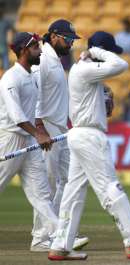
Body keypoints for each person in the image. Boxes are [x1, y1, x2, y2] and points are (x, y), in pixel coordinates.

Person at [48, 31, 130, 261]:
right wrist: (95, 50)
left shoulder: (87, 73)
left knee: (73, 194)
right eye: (108, 51)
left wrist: (104, 98)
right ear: (101, 51)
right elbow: (121, 64)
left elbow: (102, 105)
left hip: (81, 135)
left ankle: (60, 245)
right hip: (90, 137)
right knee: (111, 189)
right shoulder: (85, 68)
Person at [30, 18, 88, 252]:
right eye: (67, 39)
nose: (71, 44)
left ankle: (60, 231)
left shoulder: (56, 61)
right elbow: (33, 94)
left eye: (73, 40)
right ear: (53, 36)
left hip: (61, 130)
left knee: (68, 181)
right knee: (50, 185)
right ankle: (41, 238)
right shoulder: (42, 59)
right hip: (47, 130)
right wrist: (39, 128)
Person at [0, 32, 58, 249]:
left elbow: (33, 110)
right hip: (11, 139)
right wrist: (38, 134)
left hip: (30, 142)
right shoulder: (10, 79)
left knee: (41, 193)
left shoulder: (31, 75)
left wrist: (39, 129)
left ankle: (52, 237)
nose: (40, 50)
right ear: (23, 50)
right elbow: (17, 116)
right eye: (35, 47)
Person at [0, 3, 15, 69]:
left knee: (6, 64)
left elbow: (11, 31)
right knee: (5, 63)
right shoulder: (6, 22)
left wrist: (9, 39)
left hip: (3, 45)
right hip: (3, 45)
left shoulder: (6, 22)